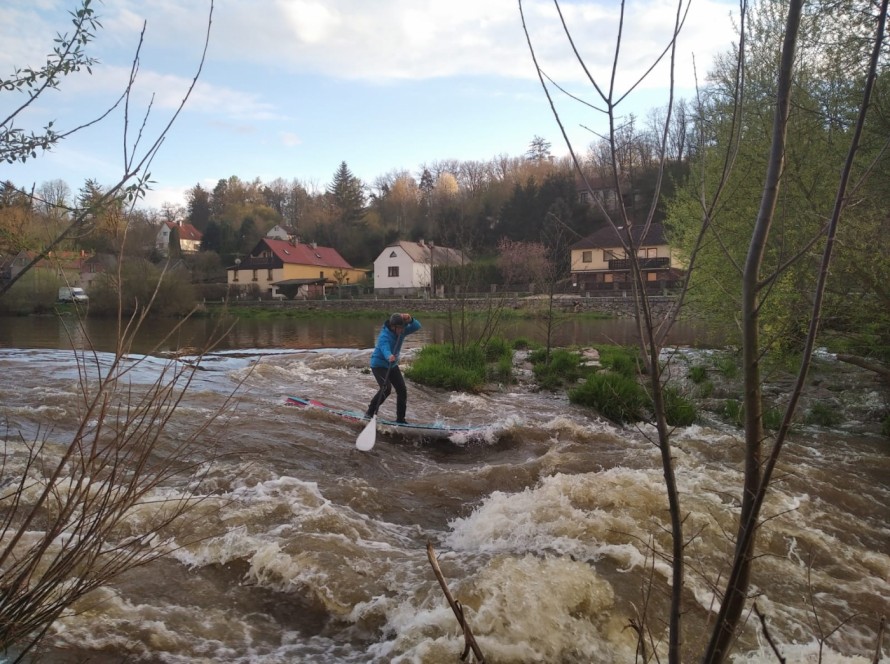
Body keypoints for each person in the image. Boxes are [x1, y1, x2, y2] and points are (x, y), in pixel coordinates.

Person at [365, 312, 421, 424]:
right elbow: (384, 348)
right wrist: (389, 356)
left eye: (402, 327)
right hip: (379, 365)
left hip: (392, 365)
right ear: (392, 327)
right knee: (386, 389)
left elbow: (417, 326)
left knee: (402, 390)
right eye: (399, 328)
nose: (402, 330)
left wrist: (410, 319)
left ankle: (401, 419)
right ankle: (369, 413)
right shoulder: (384, 336)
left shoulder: (402, 331)